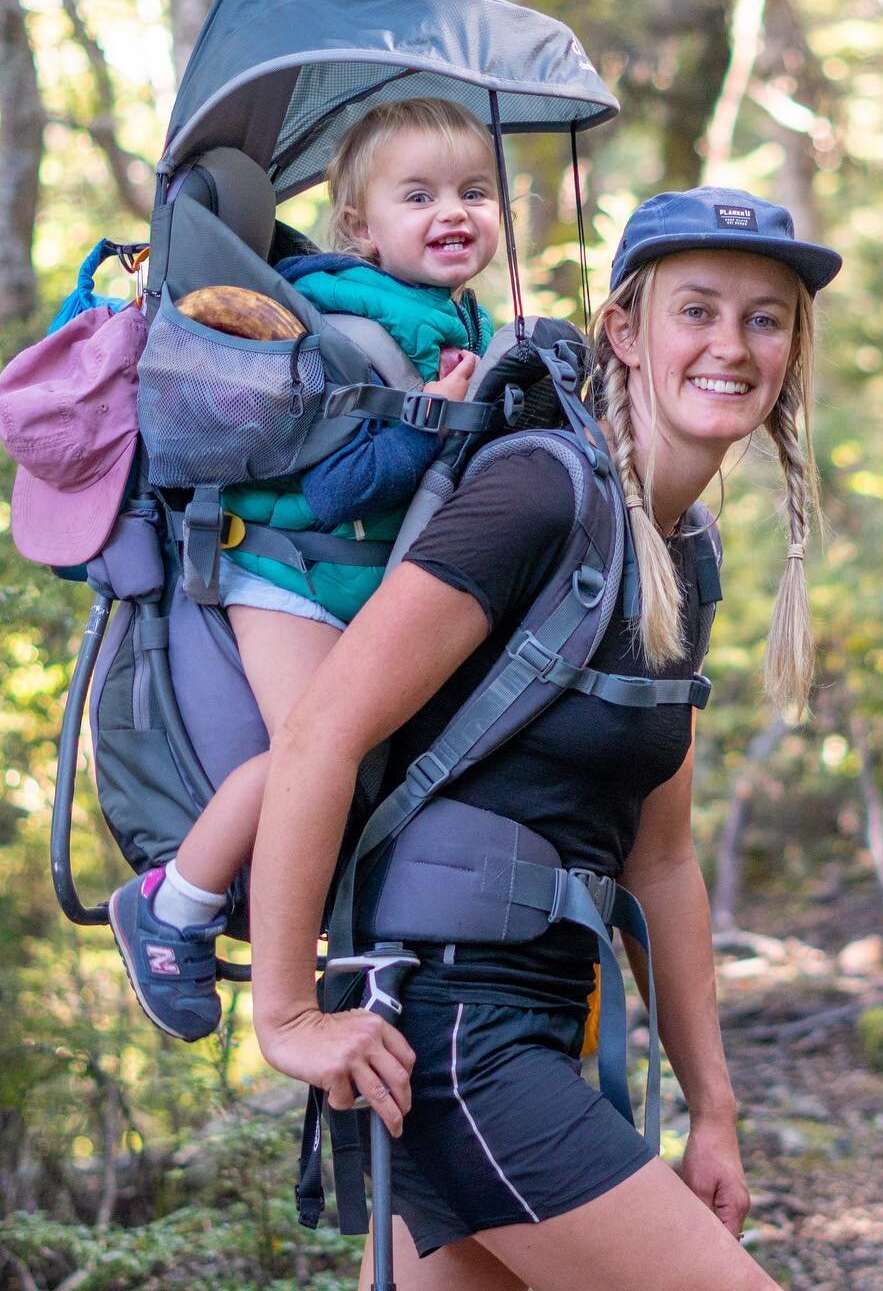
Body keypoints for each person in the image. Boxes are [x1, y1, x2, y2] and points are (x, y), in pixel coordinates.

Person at [248, 186, 840, 1290]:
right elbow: (319, 731)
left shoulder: (680, 552)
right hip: (446, 1029)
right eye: (696, 311)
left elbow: (658, 864)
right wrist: (284, 1013)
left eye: (766, 319)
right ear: (624, 330)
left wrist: (714, 1111)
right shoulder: (537, 494)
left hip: (531, 1020)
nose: (732, 345)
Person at [108, 98, 499, 1042]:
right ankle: (172, 906)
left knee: (355, 754)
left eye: (476, 192)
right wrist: (436, 418)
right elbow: (330, 488)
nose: (454, 211)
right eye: (420, 195)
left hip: (355, 584)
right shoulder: (350, 324)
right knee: (303, 755)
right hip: (286, 569)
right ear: (360, 227)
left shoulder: (449, 313)